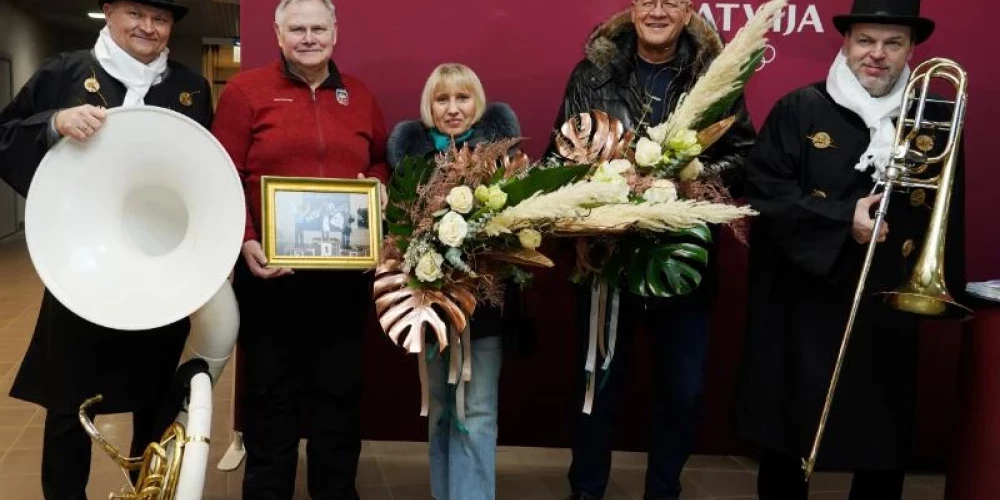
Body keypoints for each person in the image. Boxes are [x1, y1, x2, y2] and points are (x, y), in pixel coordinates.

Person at [734, 1, 966, 498]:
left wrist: (942, 283)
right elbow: (765, 193)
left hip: (888, 297)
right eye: (866, 40)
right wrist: (843, 220)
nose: (877, 54)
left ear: (911, 49)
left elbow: (949, 209)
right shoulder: (799, 108)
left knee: (882, 435)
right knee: (791, 428)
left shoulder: (936, 116)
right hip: (805, 296)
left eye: (893, 43)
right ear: (846, 42)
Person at [0, 1, 210, 498]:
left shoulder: (192, 87)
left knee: (155, 402)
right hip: (81, 267)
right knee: (68, 403)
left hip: (158, 267)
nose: (148, 27)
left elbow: (205, 174)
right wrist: (54, 122)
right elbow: (5, 136)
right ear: (109, 11)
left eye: (161, 19)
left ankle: (146, 492)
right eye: (136, 13)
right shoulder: (65, 73)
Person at [546, 2, 755, 499]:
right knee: (596, 389)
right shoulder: (592, 73)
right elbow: (557, 155)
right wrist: (596, 192)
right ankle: (586, 491)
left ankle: (664, 492)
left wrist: (690, 179)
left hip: (682, 261)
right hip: (605, 259)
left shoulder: (715, 77)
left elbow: (745, 157)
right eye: (648, 0)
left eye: (671, 1)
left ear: (688, 10)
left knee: (682, 392)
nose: (657, 11)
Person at [210, 0, 388, 498]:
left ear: (335, 31)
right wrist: (246, 238)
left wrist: (378, 185)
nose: (309, 38)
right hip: (271, 274)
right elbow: (222, 174)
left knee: (339, 394)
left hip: (344, 278)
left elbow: (380, 160)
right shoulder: (245, 91)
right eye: (297, 29)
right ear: (278, 33)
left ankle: (336, 491)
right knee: (271, 397)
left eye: (318, 28)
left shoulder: (360, 95)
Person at [385, 63, 521, 500]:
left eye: (462, 97)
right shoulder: (411, 163)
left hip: (484, 311)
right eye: (442, 99)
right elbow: (397, 233)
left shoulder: (502, 161)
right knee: (442, 412)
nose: (453, 108)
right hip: (431, 309)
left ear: (477, 103)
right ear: (429, 106)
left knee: (476, 413)